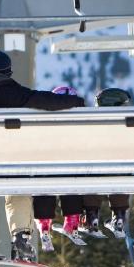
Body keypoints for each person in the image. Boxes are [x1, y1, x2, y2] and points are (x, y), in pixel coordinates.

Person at [0, 50, 84, 265]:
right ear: (9, 71)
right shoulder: (19, 94)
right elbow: (48, 101)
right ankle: (21, 239)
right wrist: (75, 101)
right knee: (19, 190)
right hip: (10, 162)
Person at [33, 86, 84, 250]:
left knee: (44, 182)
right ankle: (72, 220)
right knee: (73, 181)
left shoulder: (43, 120)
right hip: (72, 165)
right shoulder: (82, 119)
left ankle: (44, 223)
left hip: (45, 164)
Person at [80, 88, 132, 239]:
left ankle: (91, 215)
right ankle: (119, 216)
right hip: (122, 172)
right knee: (121, 170)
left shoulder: (89, 126)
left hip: (93, 172)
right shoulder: (127, 127)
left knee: (90, 170)